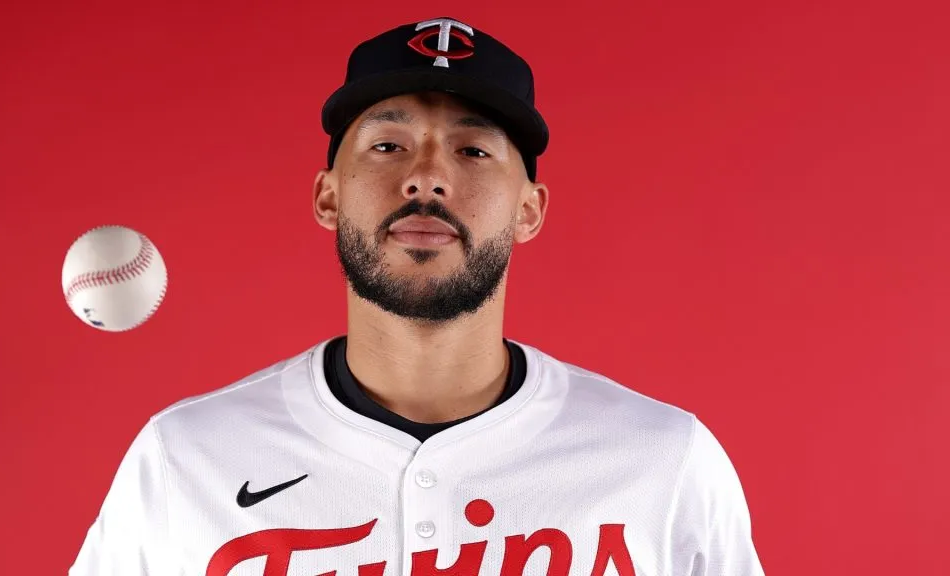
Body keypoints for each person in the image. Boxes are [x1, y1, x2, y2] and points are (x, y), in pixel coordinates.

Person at [69, 16, 765, 576]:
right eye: (387, 146)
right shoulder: (187, 458)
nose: (427, 177)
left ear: (528, 210)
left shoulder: (661, 461)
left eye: (473, 151)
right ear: (328, 197)